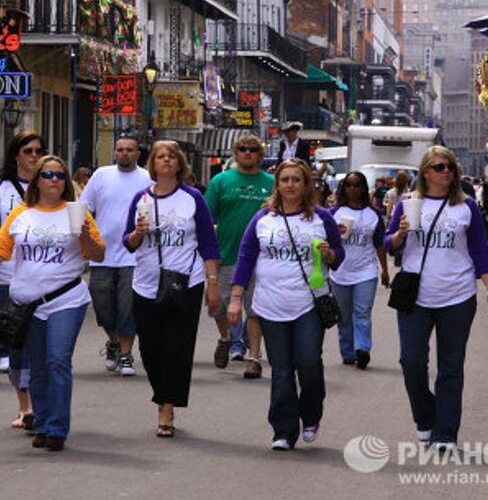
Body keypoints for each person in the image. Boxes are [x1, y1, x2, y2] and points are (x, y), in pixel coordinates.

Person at [0, 155, 105, 451]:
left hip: (66, 298)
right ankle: (40, 421)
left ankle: (57, 428)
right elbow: (0, 250)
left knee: (58, 361)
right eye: (48, 175)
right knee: (37, 366)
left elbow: (98, 254)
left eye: (60, 176)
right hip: (29, 302)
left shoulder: (76, 213)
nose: (54, 180)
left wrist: (86, 237)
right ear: (37, 179)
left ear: (66, 182)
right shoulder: (21, 215)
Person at [385, 145, 488, 452]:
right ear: (426, 173)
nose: (446, 171)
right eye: (439, 167)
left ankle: (446, 433)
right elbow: (389, 244)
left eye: (450, 166)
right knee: (411, 361)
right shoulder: (409, 203)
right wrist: (399, 235)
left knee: (451, 367)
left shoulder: (467, 207)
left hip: (458, 295)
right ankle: (426, 418)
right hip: (415, 297)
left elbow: (479, 250)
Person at [227, 159, 345, 451]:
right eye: (285, 180)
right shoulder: (263, 219)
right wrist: (236, 298)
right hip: (270, 303)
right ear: (277, 184)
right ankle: (283, 429)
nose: (290, 185)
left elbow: (338, 257)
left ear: (306, 185)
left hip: (308, 302)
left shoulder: (321, 218)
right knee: (280, 370)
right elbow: (245, 259)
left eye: (296, 179)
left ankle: (312, 414)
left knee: (308, 363)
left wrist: (329, 255)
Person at [123, 140, 220, 438]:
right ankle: (162, 393)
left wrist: (212, 284)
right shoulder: (140, 198)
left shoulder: (193, 199)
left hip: (184, 283)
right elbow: (127, 244)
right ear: (153, 163)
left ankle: (166, 407)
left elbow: (208, 243)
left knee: (176, 348)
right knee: (150, 349)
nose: (165, 161)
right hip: (146, 284)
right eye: (160, 156)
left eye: (171, 156)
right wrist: (137, 233)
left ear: (179, 163)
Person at [0, 131, 45, 428]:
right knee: (18, 342)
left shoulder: (53, 185)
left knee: (41, 344)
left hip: (46, 278)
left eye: (37, 151)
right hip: (8, 275)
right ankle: (25, 407)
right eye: (27, 151)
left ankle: (43, 403)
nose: (33, 156)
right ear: (16, 155)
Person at [80, 136, 152, 375]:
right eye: (120, 150)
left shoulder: (146, 178)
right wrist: (82, 240)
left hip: (134, 255)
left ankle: (125, 354)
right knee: (103, 306)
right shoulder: (101, 175)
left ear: (137, 154)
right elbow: (84, 209)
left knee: (127, 307)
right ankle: (113, 341)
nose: (124, 154)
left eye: (129, 150)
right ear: (114, 153)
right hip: (103, 254)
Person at [204, 135, 274, 379]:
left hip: (262, 259)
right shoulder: (221, 181)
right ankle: (226, 338)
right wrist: (210, 254)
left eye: (253, 149)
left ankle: (254, 358)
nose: (247, 153)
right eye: (242, 149)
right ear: (235, 152)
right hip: (227, 255)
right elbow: (205, 220)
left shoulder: (271, 183)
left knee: (255, 310)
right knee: (220, 306)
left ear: (260, 155)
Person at [329, 171, 389, 369]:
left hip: (366, 271)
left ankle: (362, 349)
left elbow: (379, 244)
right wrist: (334, 235)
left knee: (362, 312)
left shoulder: (373, 215)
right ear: (343, 188)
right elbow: (321, 240)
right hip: (340, 271)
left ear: (364, 188)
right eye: (349, 185)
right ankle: (347, 351)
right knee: (344, 315)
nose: (353, 189)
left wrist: (384, 270)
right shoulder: (334, 213)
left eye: (357, 185)